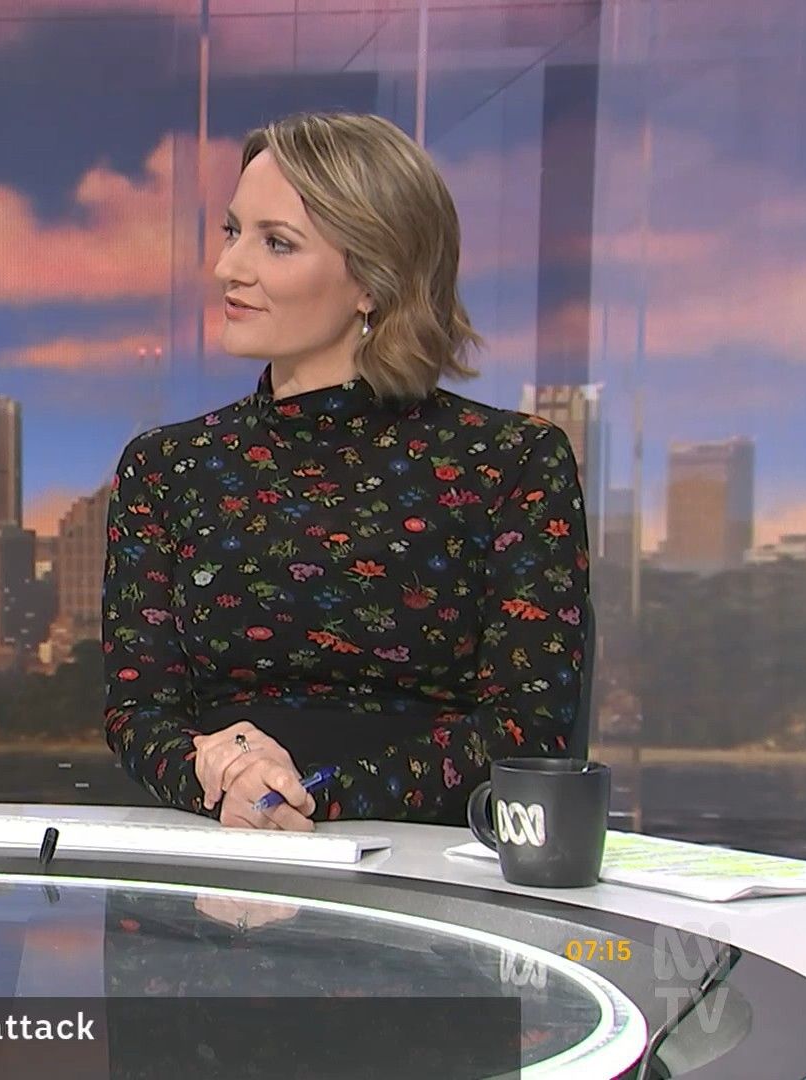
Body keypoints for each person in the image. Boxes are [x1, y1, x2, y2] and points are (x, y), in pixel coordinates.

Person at [101, 112, 589, 830]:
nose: (229, 267)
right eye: (233, 231)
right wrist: (220, 775)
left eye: (276, 242)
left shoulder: (510, 460)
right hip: (220, 849)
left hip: (423, 867)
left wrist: (311, 797)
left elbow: (529, 726)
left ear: (372, 277)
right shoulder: (167, 467)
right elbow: (138, 712)